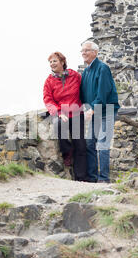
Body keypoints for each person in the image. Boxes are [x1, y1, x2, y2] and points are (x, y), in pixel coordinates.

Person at [43, 51, 87, 181]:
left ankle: (81, 178)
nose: (52, 64)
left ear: (62, 62)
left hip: (77, 112)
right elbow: (48, 100)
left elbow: (84, 90)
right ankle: (67, 151)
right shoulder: (49, 81)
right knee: (58, 124)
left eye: (55, 61)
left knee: (81, 146)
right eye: (50, 62)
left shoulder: (75, 75)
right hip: (61, 112)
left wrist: (89, 106)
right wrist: (58, 112)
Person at [80, 41, 120, 183]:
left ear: (95, 52)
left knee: (103, 144)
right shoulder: (85, 72)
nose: (83, 53)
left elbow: (102, 94)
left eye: (87, 50)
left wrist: (91, 110)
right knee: (90, 143)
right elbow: (83, 95)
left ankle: (104, 179)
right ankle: (92, 178)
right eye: (82, 51)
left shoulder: (103, 68)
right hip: (94, 112)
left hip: (106, 111)